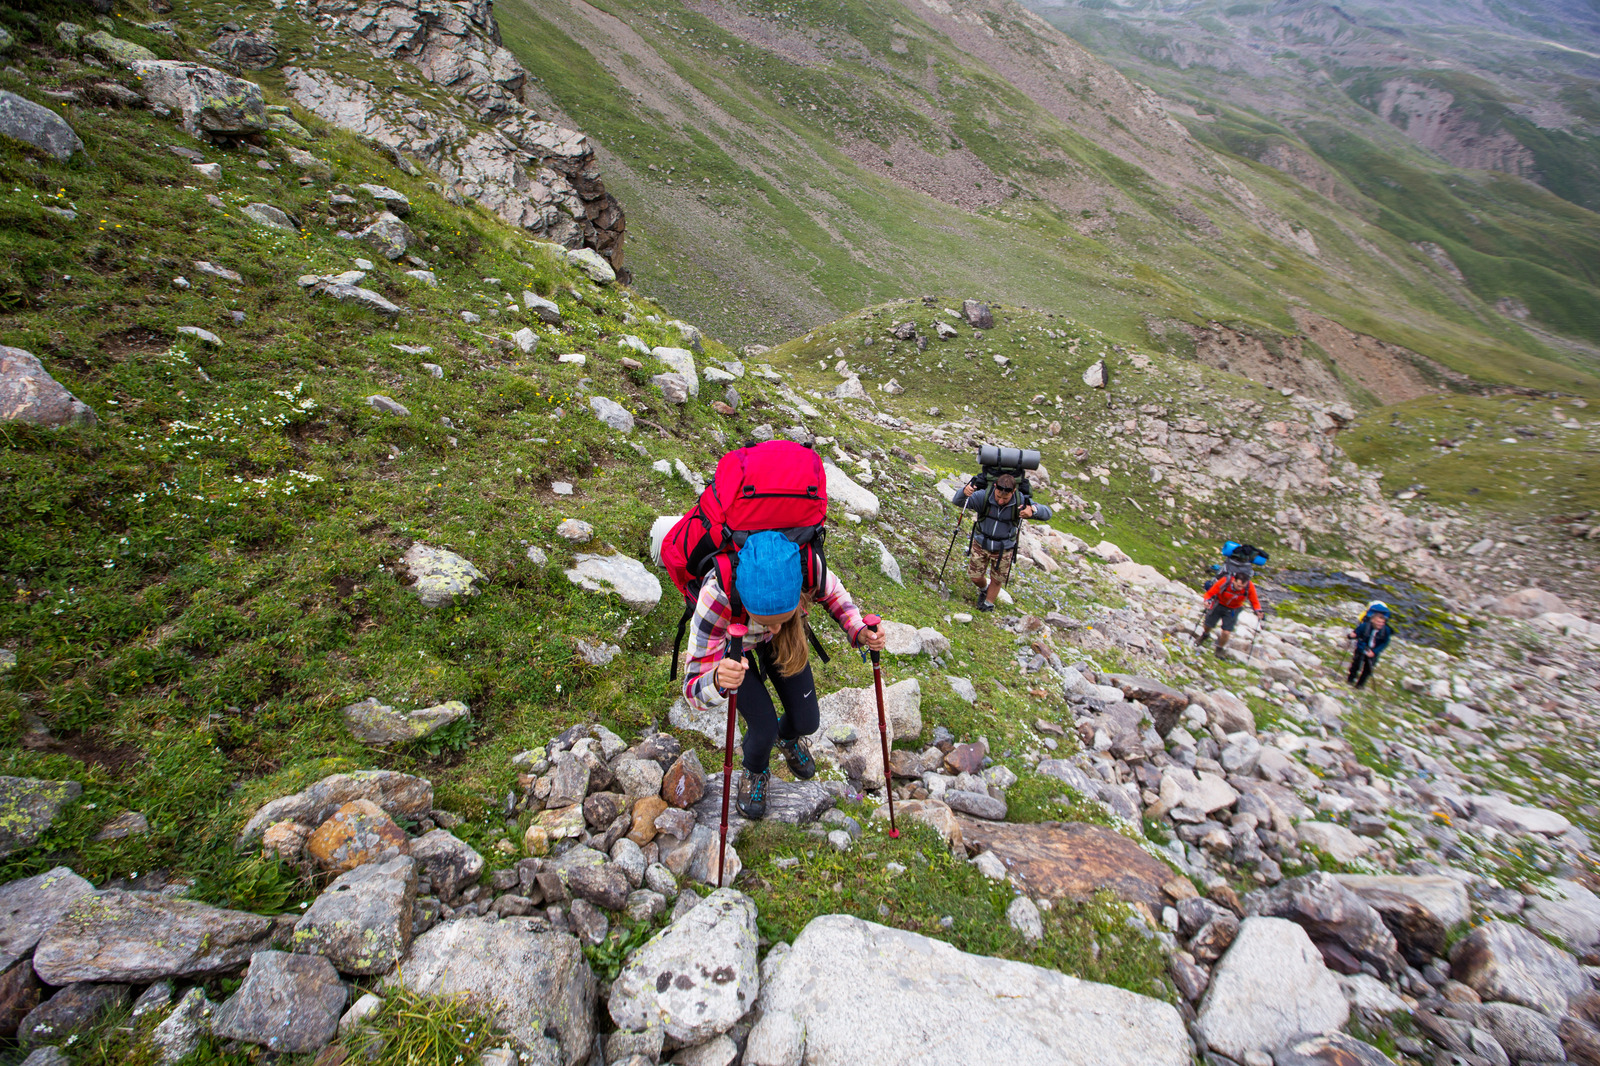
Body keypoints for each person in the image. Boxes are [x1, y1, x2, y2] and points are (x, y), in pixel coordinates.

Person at [682, 531, 889, 819]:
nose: (774, 629)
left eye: (782, 618)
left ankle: (788, 737)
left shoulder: (806, 568)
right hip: (733, 649)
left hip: (784, 641)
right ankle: (755, 772)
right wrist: (717, 679)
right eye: (766, 622)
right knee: (763, 726)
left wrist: (859, 628)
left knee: (807, 720)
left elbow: (834, 593)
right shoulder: (717, 597)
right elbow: (692, 688)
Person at [954, 473, 1053, 612]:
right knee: (975, 577)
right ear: (995, 487)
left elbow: (1048, 513)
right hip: (981, 542)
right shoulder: (983, 496)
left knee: (997, 579)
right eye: (998, 496)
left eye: (1005, 498)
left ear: (1013, 492)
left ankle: (988, 604)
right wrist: (963, 492)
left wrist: (1033, 510)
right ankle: (984, 589)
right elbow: (958, 501)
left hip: (1004, 548)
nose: (1000, 501)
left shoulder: (1021, 502)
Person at [1196, 570, 1264, 656]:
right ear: (1233, 580)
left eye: (1243, 586)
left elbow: (1254, 601)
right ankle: (1205, 635)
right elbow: (1210, 593)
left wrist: (1258, 611)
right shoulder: (1225, 581)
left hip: (1234, 609)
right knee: (1208, 624)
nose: (1241, 588)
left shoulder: (1249, 586)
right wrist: (1207, 601)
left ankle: (1219, 649)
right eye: (1239, 585)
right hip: (1219, 604)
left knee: (1226, 632)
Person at [1347, 602, 1393, 688]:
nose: (1380, 624)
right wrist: (1351, 636)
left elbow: (1385, 643)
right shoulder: (1364, 626)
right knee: (1356, 665)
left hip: (1373, 652)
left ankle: (1360, 685)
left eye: (1382, 623)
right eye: (1378, 622)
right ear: (1372, 620)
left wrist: (1374, 652)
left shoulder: (1386, 630)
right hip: (1361, 648)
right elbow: (1355, 634)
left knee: (1368, 670)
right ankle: (1350, 680)